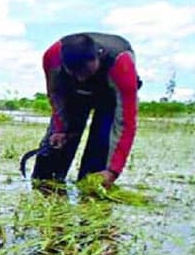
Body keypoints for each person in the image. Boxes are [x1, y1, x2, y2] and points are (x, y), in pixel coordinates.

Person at [31, 32, 140, 188]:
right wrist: (60, 129)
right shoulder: (52, 57)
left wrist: (113, 170)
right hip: (73, 96)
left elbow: (125, 121)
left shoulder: (121, 64)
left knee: (98, 156)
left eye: (85, 72)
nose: (81, 79)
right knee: (50, 163)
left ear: (97, 57)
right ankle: (45, 190)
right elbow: (56, 95)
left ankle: (89, 190)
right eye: (74, 73)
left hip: (108, 99)